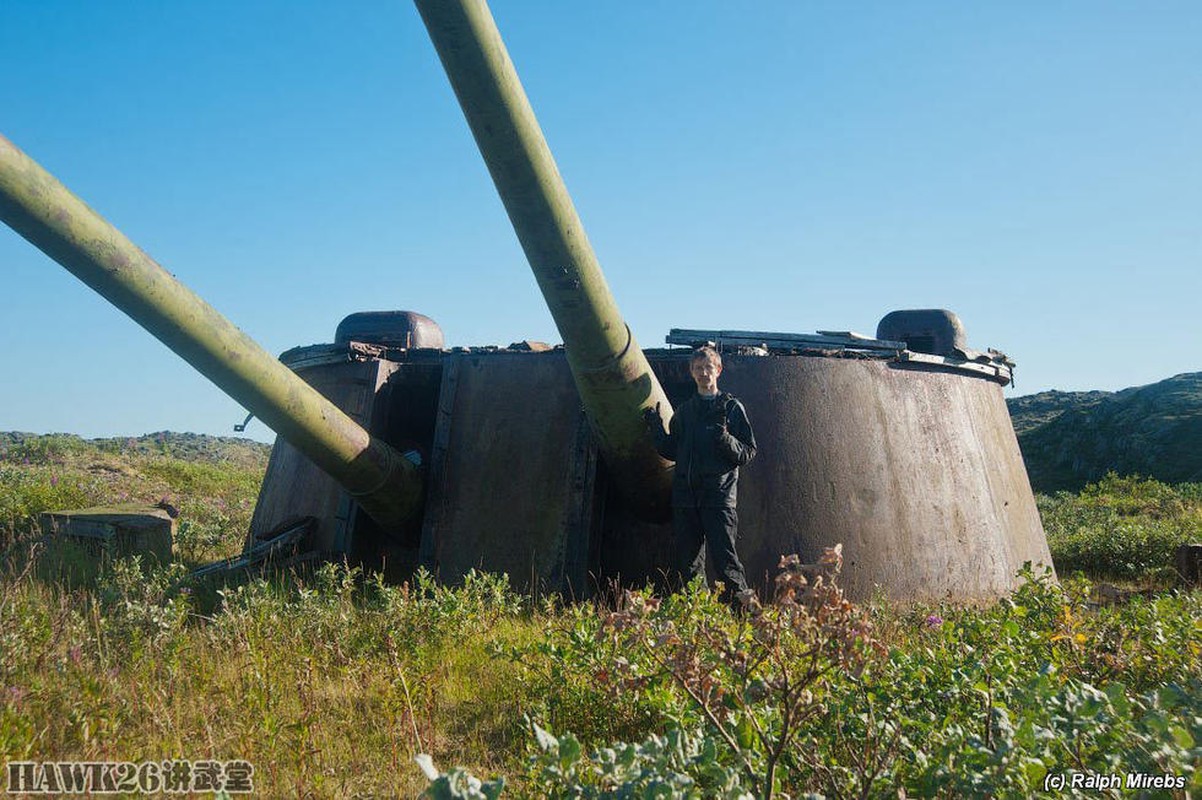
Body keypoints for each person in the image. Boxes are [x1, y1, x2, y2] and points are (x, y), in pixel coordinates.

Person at [644, 346, 757, 607]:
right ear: (692, 373)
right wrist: (656, 429)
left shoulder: (731, 408)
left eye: (708, 368)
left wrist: (725, 438)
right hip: (686, 499)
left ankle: (745, 617)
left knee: (726, 562)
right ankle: (700, 617)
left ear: (718, 371)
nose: (703, 373)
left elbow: (748, 452)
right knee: (689, 566)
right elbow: (671, 450)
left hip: (718, 499)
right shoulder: (685, 412)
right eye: (698, 369)